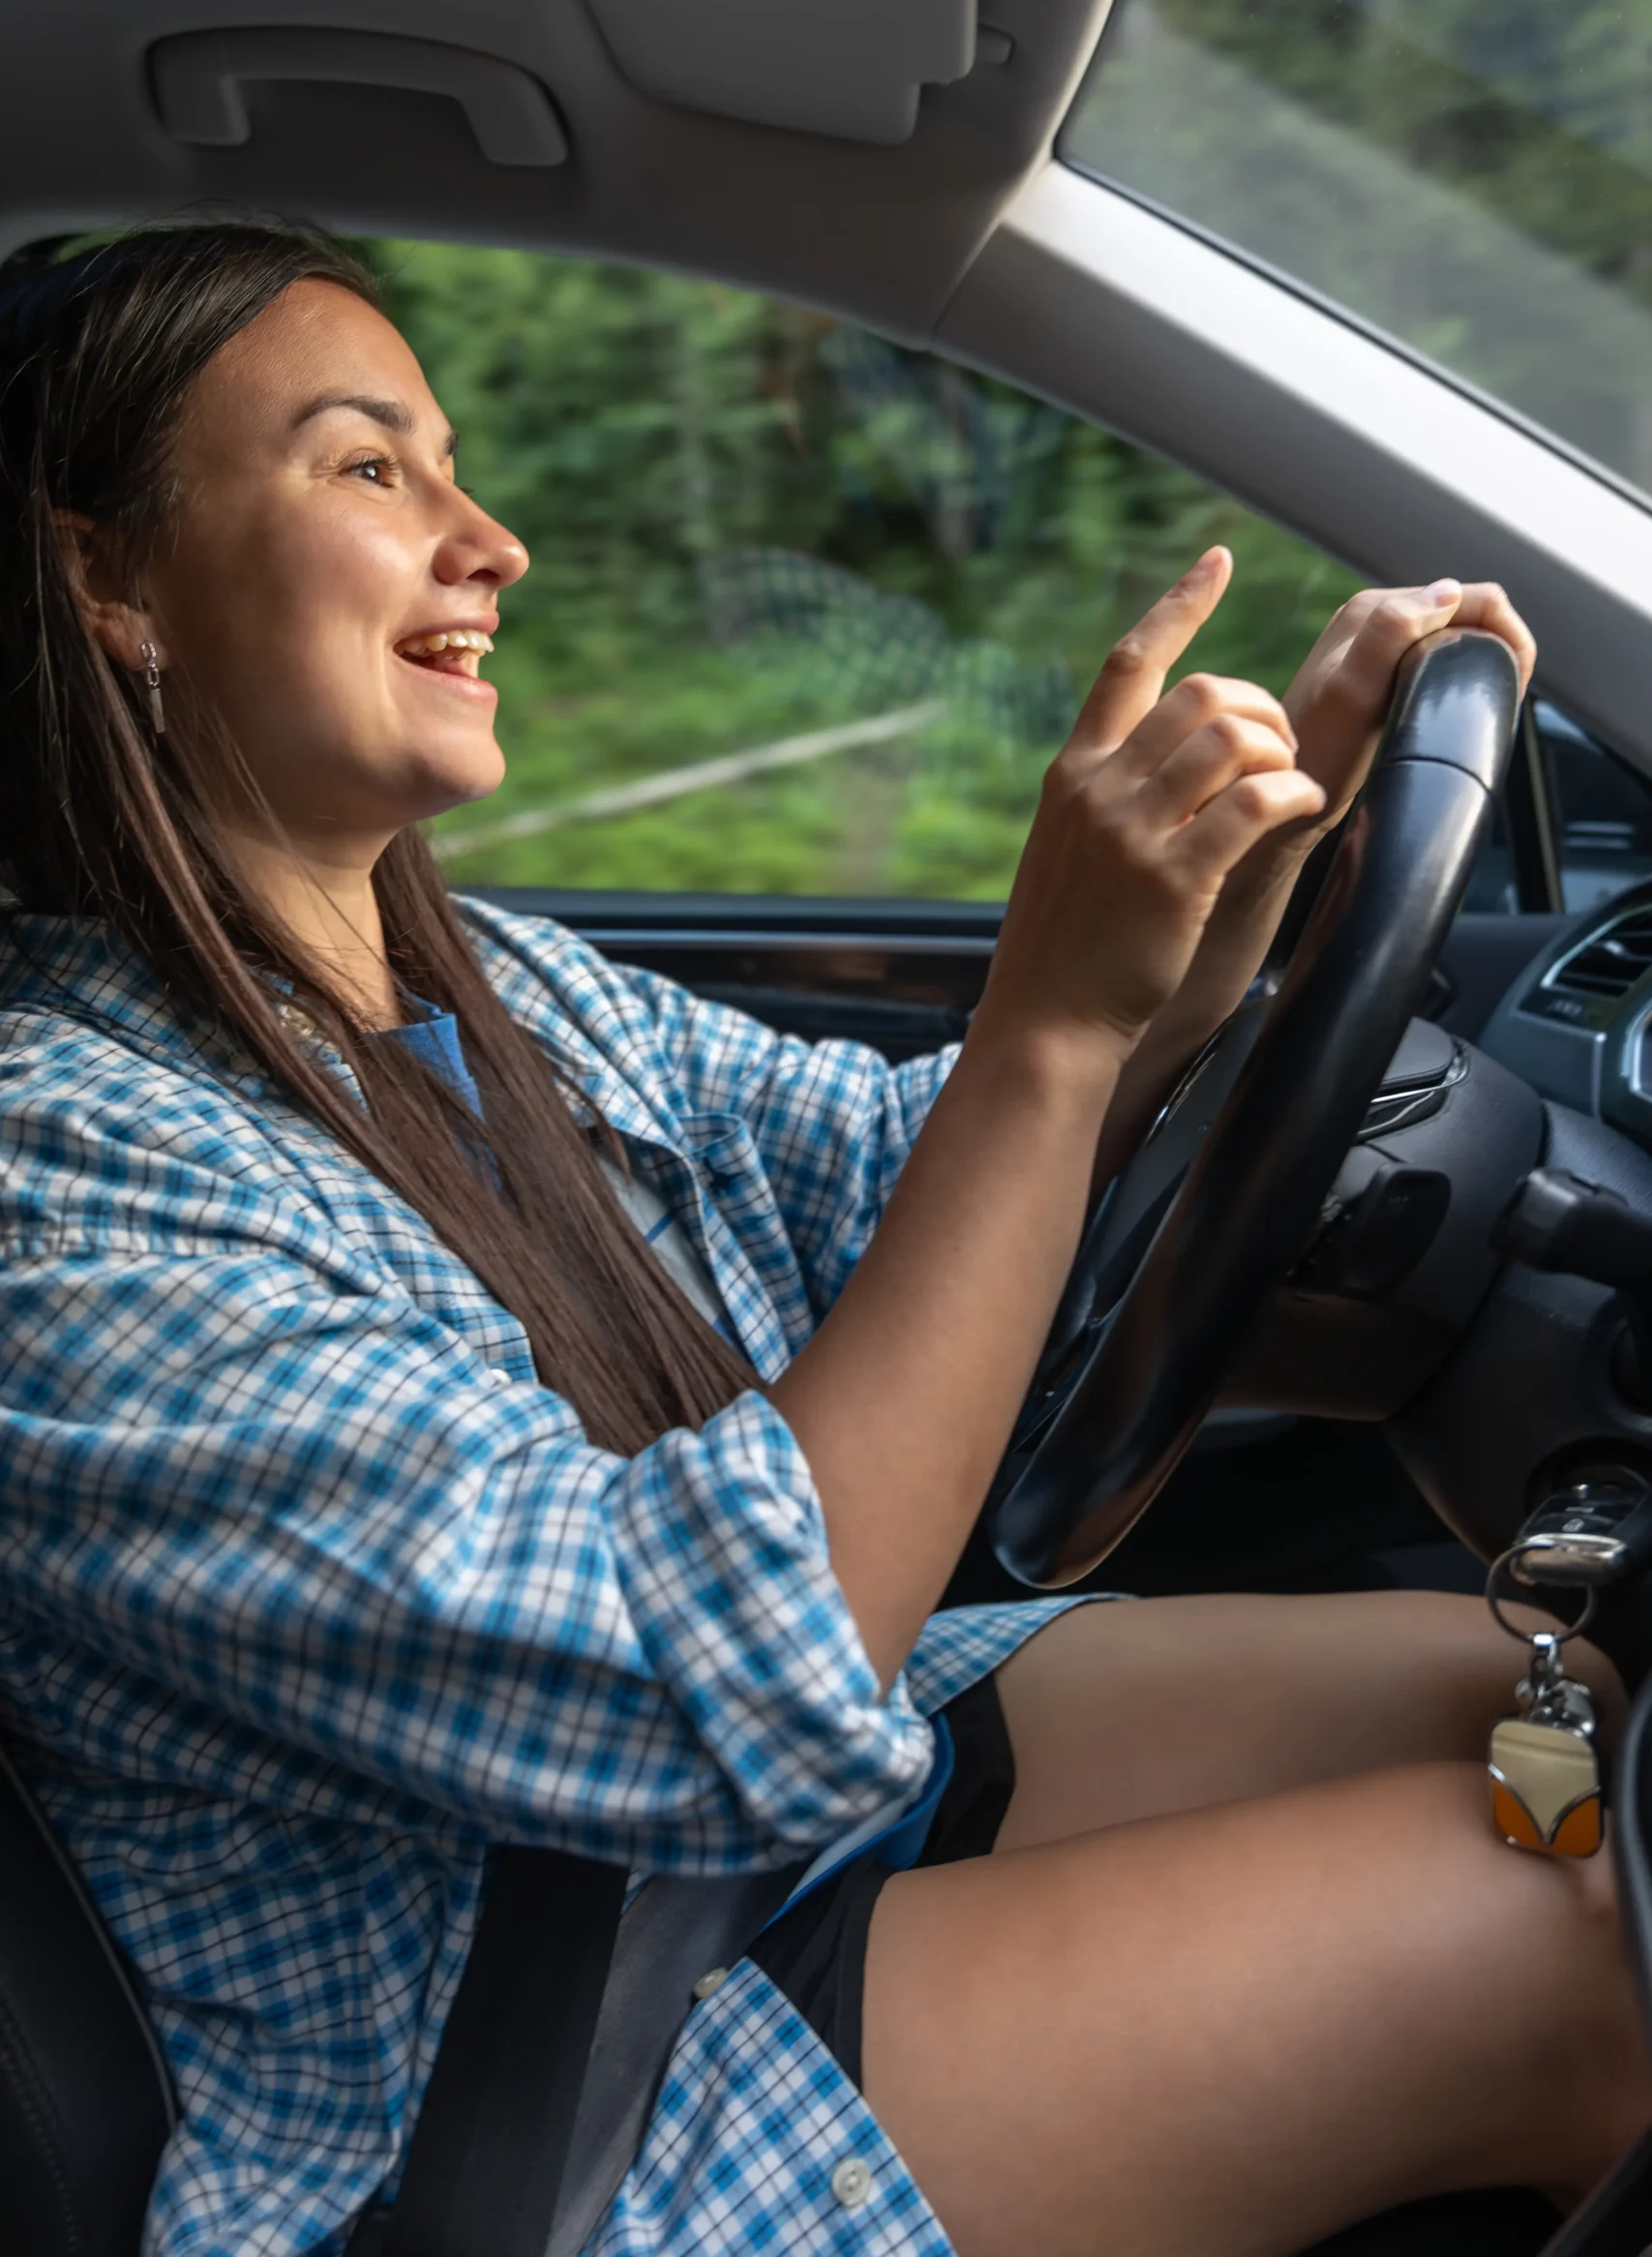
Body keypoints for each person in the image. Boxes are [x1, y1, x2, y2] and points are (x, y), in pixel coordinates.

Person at [0, 221, 1637, 2257]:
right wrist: (1045, 1008)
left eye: (453, 460)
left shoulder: (491, 983)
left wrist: (1256, 861)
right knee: (1577, 1927)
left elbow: (906, 1186)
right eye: (367, 466)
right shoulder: (55, 1172)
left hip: (733, 1863)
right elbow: (707, 1679)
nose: (489, 536)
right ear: (108, 581)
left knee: (1550, 1694)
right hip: (507, 2100)